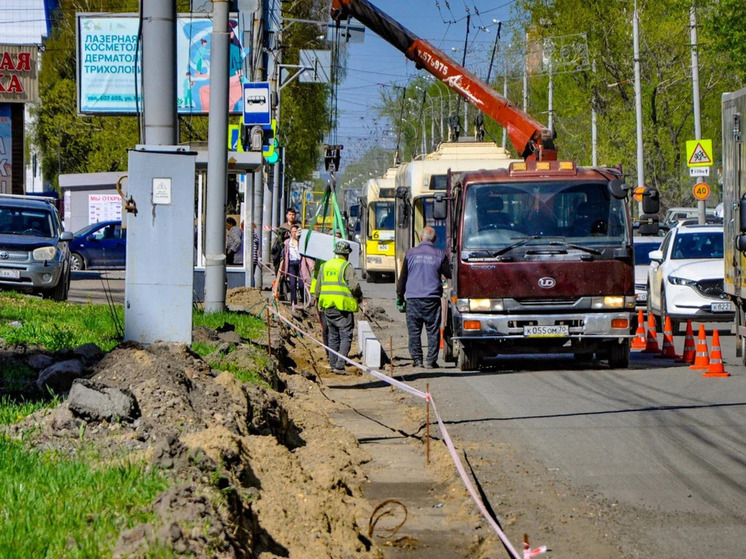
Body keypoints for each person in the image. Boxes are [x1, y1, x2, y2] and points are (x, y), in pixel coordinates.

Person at [396, 226, 451, 368]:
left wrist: (400, 295)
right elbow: (450, 273)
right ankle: (431, 361)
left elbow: (403, 278)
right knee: (432, 331)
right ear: (434, 239)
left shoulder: (410, 254)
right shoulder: (440, 254)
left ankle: (417, 360)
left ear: (421, 238)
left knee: (414, 332)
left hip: (413, 299)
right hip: (432, 299)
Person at [315, 241, 363, 373]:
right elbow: (354, 286)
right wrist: (359, 297)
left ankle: (333, 364)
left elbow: (317, 288)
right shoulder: (346, 266)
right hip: (342, 308)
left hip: (327, 307)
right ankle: (339, 365)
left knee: (333, 336)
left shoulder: (325, 266)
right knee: (346, 335)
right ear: (346, 255)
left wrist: (318, 301)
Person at [283, 225, 314, 310]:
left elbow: (307, 257)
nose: (294, 233)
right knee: (292, 284)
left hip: (300, 264)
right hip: (291, 265)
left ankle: (304, 301)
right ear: (290, 233)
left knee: (301, 285)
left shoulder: (302, 243)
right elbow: (285, 256)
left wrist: (311, 266)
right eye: (292, 232)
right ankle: (294, 302)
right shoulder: (287, 243)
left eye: (295, 231)